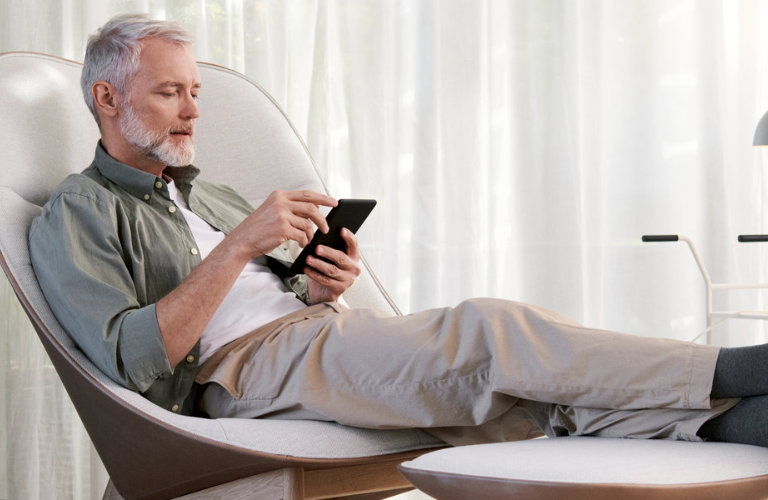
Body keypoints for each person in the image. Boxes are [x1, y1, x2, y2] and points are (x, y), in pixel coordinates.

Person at [28, 13, 767, 448]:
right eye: (169, 92)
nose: (193, 112)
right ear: (106, 96)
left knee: (517, 397)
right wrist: (241, 246)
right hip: (240, 373)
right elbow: (130, 360)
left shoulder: (206, 192)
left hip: (315, 337)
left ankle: (728, 428)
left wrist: (316, 280)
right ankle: (735, 372)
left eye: (195, 92)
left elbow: (260, 288)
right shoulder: (80, 210)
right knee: (488, 334)